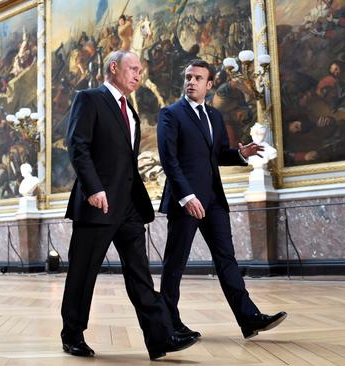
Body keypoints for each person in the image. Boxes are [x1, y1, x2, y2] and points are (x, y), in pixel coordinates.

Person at [61, 50, 198, 360]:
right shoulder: (89, 99)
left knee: (140, 274)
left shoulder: (132, 113)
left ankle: (160, 338)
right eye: (133, 68)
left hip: (129, 207)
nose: (139, 75)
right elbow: (78, 147)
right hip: (98, 204)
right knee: (83, 273)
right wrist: (93, 188)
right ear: (114, 67)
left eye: (141, 70)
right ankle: (72, 334)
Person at [157, 59, 287, 340]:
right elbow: (169, 160)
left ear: (209, 84)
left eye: (197, 78)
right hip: (186, 200)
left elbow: (216, 155)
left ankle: (249, 318)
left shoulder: (215, 116)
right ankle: (168, 322)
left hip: (214, 198)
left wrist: (242, 154)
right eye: (188, 77)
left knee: (226, 259)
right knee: (175, 262)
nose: (190, 82)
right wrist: (187, 196)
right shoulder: (171, 114)